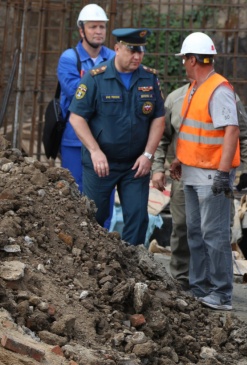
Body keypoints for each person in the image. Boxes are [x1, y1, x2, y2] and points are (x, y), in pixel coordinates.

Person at [151, 82, 247, 292]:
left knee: (217, 232)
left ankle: (215, 286)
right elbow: (163, 137)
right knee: (182, 227)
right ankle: (182, 280)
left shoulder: (226, 97)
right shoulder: (176, 98)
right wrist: (157, 167)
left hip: (216, 176)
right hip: (184, 174)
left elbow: (243, 134)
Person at [69, 28, 164, 246]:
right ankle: (94, 264)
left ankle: (131, 269)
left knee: (138, 218)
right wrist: (95, 151)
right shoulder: (96, 78)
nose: (137, 57)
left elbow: (158, 119)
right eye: (131, 51)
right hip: (102, 163)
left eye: (140, 52)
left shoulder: (149, 78)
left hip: (135, 164)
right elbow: (76, 118)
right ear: (117, 48)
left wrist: (148, 154)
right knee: (95, 217)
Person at [167, 32, 241, 311]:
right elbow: (193, 131)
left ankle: (221, 293)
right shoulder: (195, 87)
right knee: (195, 233)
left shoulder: (218, 89)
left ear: (194, 59)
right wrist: (180, 159)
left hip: (211, 175)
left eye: (185, 58)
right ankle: (199, 289)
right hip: (192, 172)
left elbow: (231, 130)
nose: (184, 63)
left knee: (214, 235)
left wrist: (223, 173)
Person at [57, 4, 116, 227]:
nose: (99, 31)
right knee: (75, 193)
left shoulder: (113, 57)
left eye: (102, 26)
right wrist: (107, 93)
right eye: (93, 27)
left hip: (106, 140)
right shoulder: (69, 58)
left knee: (104, 194)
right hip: (74, 139)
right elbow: (75, 93)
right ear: (82, 30)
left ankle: (102, 242)